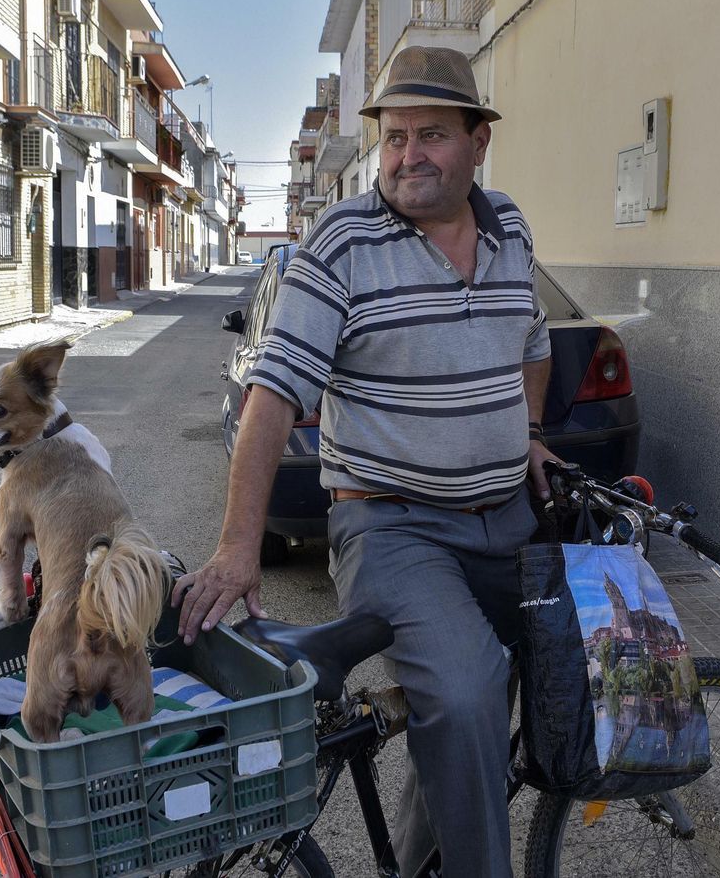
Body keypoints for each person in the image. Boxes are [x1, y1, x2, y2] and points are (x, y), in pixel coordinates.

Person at [174, 46, 553, 876]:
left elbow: (531, 339)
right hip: (392, 526)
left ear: (478, 141)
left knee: (474, 717)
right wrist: (238, 545)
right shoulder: (343, 241)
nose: (407, 155)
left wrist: (525, 430)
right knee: (462, 690)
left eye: (432, 135)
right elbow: (272, 395)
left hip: (508, 520)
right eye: (394, 137)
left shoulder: (510, 227)